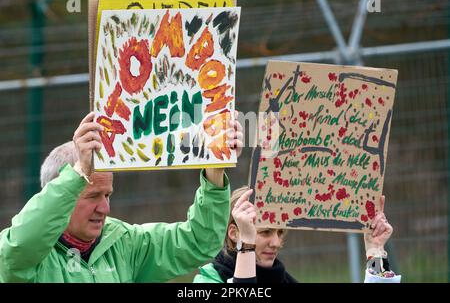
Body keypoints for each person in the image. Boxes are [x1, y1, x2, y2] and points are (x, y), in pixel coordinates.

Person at [0, 111, 244, 283]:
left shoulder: (123, 243)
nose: (104, 208)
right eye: (94, 195)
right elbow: (18, 247)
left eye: (108, 195)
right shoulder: (27, 257)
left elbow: (198, 242)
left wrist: (214, 173)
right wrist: (78, 174)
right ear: (62, 190)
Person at [194, 186, 401, 283]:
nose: (276, 242)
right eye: (265, 232)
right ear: (234, 233)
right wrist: (246, 243)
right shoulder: (208, 282)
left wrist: (375, 252)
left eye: (280, 232)